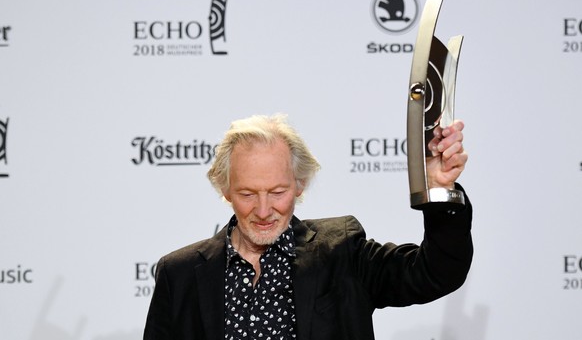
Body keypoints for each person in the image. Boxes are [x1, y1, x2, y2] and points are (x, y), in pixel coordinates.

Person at [143, 114, 473, 340]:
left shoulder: (342, 251)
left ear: (300, 185)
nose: (263, 210)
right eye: (247, 193)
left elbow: (436, 272)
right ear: (224, 189)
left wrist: (440, 190)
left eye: (277, 192)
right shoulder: (180, 274)